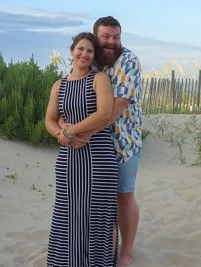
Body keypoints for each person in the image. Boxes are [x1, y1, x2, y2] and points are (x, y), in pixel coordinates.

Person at [63, 16, 143, 267]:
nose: (111, 42)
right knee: (98, 199)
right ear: (96, 37)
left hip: (123, 143)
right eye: (106, 37)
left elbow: (117, 107)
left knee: (124, 196)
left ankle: (126, 252)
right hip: (91, 146)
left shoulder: (128, 61)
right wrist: (66, 126)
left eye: (116, 37)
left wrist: (80, 132)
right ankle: (103, 252)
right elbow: (71, 93)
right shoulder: (89, 60)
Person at [45, 32, 119, 267]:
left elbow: (104, 114)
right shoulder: (59, 85)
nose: (84, 54)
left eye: (89, 51)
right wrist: (61, 134)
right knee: (67, 211)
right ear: (71, 51)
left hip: (99, 157)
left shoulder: (100, 80)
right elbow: (49, 119)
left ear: (94, 55)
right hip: (68, 158)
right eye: (80, 49)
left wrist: (71, 130)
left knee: (97, 213)